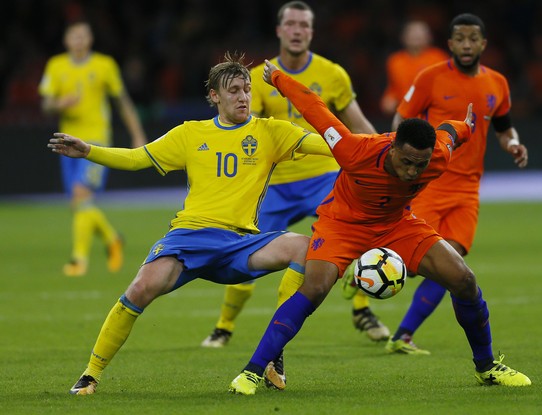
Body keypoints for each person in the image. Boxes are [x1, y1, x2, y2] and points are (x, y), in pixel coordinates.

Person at [228, 60, 531, 395]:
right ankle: (254, 370)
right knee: (314, 289)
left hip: (396, 224)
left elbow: (450, 132)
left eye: (421, 164)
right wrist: (280, 78)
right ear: (393, 148)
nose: (413, 172)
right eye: (406, 162)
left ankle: (486, 367)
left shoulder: (438, 157)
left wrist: (467, 125)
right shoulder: (354, 149)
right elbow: (316, 109)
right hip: (341, 224)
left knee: (464, 279)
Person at [48, 52, 335, 396]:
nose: (243, 96)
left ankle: (274, 352)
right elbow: (137, 157)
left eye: (246, 89)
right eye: (233, 91)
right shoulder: (190, 134)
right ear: (214, 96)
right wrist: (90, 151)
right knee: (139, 289)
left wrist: (382, 145)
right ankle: (90, 374)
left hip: (240, 242)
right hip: (189, 237)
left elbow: (335, 146)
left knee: (306, 249)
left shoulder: (272, 132)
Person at [201, 0, 387, 356]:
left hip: (325, 179)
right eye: (291, 24)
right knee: (243, 252)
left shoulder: (333, 74)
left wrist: (383, 156)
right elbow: (242, 133)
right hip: (276, 186)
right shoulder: (255, 79)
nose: (298, 30)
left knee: (357, 236)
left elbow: (358, 125)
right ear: (279, 30)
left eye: (304, 24)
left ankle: (363, 310)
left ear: (312, 32)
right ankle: (224, 326)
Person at [386, 13, 529, 355]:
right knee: (412, 265)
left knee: (451, 262)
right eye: (460, 39)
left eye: (472, 39)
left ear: (483, 44)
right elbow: (400, 120)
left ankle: (402, 335)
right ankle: (364, 272)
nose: (466, 44)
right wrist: (402, 161)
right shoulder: (429, 77)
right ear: (450, 44)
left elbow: (504, 128)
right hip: (430, 183)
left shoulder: (497, 83)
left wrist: (512, 144)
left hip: (467, 190)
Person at [39, 21, 147, 277]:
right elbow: (45, 105)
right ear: (66, 40)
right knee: (79, 205)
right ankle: (112, 239)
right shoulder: (56, 66)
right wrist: (58, 104)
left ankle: (78, 260)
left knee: (80, 196)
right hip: (67, 142)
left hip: (96, 143)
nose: (78, 40)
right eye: (73, 35)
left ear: (90, 39)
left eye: (83, 35)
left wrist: (137, 133)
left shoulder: (104, 65)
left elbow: (123, 102)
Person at [380, 20, 448, 119]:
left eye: (420, 33)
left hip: (432, 112)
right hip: (405, 113)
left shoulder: (439, 58)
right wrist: (389, 98)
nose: (416, 36)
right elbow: (393, 88)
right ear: (403, 37)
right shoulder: (395, 61)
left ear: (429, 37)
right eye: (412, 33)